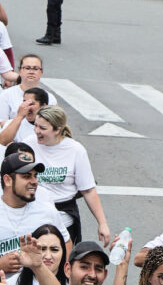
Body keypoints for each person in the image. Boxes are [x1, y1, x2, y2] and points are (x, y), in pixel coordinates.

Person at [32, 105, 109, 246]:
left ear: (57, 129)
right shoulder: (28, 144)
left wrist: (102, 223)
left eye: (42, 128)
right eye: (35, 125)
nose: (37, 131)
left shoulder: (75, 150)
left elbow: (88, 190)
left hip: (64, 215)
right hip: (35, 214)